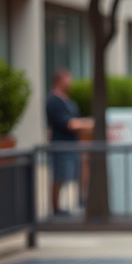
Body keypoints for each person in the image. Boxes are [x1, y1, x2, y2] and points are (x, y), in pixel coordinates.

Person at [45, 68, 93, 216]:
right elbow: (70, 123)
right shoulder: (53, 101)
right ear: (59, 80)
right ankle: (56, 208)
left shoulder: (69, 101)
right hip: (60, 145)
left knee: (77, 172)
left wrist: (85, 124)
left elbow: (77, 121)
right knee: (59, 177)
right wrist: (88, 124)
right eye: (68, 78)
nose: (70, 82)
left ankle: (81, 200)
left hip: (73, 144)